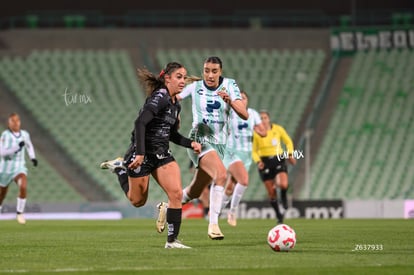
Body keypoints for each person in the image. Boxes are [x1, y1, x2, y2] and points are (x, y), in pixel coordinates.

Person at [100, 62, 202, 249]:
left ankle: (172, 241)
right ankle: (120, 169)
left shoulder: (175, 104)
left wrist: (190, 143)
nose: (182, 81)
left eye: (184, 77)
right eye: (178, 77)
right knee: (137, 201)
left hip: (162, 154)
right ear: (167, 78)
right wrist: (139, 154)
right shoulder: (160, 97)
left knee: (176, 194)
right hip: (142, 154)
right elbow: (140, 123)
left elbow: (171, 135)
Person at [158, 56, 248, 240]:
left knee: (195, 191)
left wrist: (230, 101)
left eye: (214, 71)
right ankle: (213, 224)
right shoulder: (195, 87)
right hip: (199, 139)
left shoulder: (230, 85)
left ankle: (166, 208)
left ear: (220, 72)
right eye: (206, 70)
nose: (210, 75)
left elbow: (244, 113)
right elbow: (172, 95)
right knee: (221, 175)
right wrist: (176, 114)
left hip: (219, 145)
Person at [221, 90, 266, 226]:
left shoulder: (253, 114)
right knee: (244, 181)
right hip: (231, 151)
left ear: (247, 101)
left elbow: (263, 132)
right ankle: (232, 212)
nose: (242, 100)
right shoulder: (229, 111)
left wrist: (258, 130)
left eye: (244, 98)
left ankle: (215, 214)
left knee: (230, 187)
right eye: (238, 98)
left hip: (247, 153)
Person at [252, 110, 296, 224]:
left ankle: (284, 197)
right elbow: (253, 151)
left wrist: (290, 153)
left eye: (265, 117)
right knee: (271, 192)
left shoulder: (278, 129)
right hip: (264, 161)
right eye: (260, 118)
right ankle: (278, 214)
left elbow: (288, 141)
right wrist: (258, 161)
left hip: (278, 158)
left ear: (269, 119)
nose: (263, 120)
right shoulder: (256, 133)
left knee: (283, 184)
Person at [0, 113, 38, 224]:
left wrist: (32, 157)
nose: (16, 123)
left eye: (17, 120)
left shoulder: (25, 134)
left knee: (23, 185)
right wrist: (17, 147)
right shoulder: (5, 135)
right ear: (9, 123)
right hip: (5, 168)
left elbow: (29, 145)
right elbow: (2, 153)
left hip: (19, 167)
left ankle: (19, 213)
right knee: (2, 194)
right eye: (13, 121)